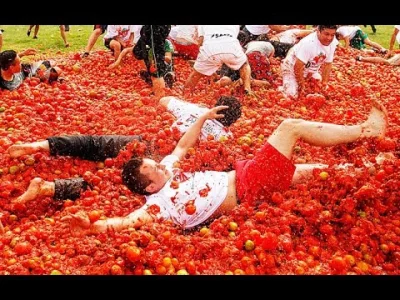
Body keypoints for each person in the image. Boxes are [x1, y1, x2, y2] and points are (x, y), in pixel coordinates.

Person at [17, 98, 387, 236]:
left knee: (317, 172)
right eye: (152, 169)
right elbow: (125, 223)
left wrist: (205, 116)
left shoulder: (169, 170)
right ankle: (365, 131)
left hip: (248, 175)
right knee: (289, 128)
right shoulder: (157, 206)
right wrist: (94, 225)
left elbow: (182, 145)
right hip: (248, 185)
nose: (160, 166)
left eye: (153, 163)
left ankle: (374, 165)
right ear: (147, 187)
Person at [184, 25, 253, 95]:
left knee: (195, 75)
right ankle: (247, 88)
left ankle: (185, 95)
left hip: (210, 49)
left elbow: (201, 42)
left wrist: (203, 62)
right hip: (230, 47)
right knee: (244, 64)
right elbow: (231, 37)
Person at [280, 25, 339, 98]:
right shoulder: (309, 43)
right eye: (326, 34)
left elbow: (328, 64)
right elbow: (297, 67)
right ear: (318, 32)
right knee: (292, 95)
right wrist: (302, 85)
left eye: (332, 35)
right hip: (291, 67)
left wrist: (324, 83)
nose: (329, 38)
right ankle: (281, 88)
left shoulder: (333, 42)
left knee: (318, 84)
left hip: (309, 70)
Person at [159, 95, 241, 141]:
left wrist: (193, 105)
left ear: (215, 107)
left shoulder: (194, 109)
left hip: (165, 139)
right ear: (233, 121)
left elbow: (164, 100)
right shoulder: (226, 136)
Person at [133, 25, 171, 97]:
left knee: (156, 68)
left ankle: (160, 98)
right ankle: (152, 76)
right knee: (137, 51)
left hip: (154, 28)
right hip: (150, 29)